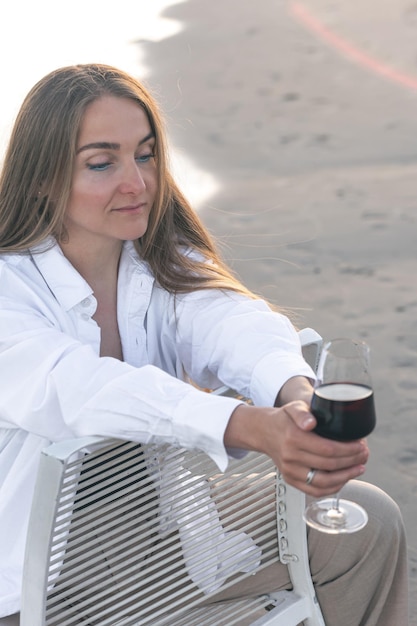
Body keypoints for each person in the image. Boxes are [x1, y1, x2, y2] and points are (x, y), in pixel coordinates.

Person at [0, 64, 408, 625]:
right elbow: (76, 390)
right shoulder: (8, 291)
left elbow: (230, 319)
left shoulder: (153, 261)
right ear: (42, 178)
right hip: (37, 569)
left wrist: (295, 396)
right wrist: (245, 425)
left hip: (165, 526)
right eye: (102, 163)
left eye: (145, 155)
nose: (136, 183)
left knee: (368, 521)